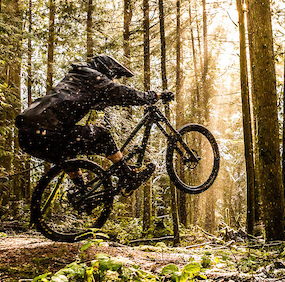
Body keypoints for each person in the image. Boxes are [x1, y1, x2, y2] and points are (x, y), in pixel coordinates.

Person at [16, 54, 173, 196]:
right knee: (102, 135)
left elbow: (89, 99)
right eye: (113, 77)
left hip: (27, 135)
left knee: (66, 154)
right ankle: (128, 176)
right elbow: (124, 93)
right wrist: (155, 96)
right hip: (47, 130)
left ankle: (81, 192)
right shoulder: (95, 78)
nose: (113, 80)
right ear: (106, 70)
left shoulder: (77, 77)